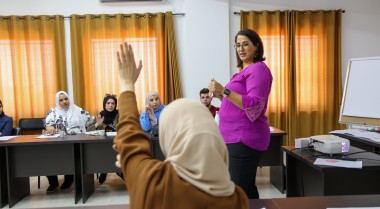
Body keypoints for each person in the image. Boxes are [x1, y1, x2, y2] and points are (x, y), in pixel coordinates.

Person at [112, 42, 249, 209]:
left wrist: (127, 84)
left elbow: (129, 137)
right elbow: (131, 138)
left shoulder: (150, 179)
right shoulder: (235, 197)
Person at [208, 28, 273, 199]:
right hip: (234, 138)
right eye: (238, 45)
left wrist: (225, 91)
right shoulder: (244, 71)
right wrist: (222, 96)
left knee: (236, 193)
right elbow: (239, 106)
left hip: (244, 138)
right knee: (246, 189)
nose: (241, 49)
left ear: (256, 46)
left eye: (245, 44)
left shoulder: (258, 69)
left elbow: (254, 104)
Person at [44, 91, 94, 194]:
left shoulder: (78, 110)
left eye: (66, 99)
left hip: (76, 141)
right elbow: (48, 125)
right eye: (61, 100)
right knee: (47, 157)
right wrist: (50, 127)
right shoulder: (53, 112)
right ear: (58, 102)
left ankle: (69, 178)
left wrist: (98, 121)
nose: (64, 102)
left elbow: (91, 121)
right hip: (58, 142)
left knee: (75, 155)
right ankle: (53, 183)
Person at [87, 93, 119, 184]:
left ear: (115, 105)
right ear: (104, 104)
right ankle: (104, 170)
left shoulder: (119, 114)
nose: (110, 105)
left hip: (117, 143)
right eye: (108, 103)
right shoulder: (100, 115)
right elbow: (88, 130)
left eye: (113, 103)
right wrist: (97, 124)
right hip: (103, 144)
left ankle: (118, 171)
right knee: (103, 153)